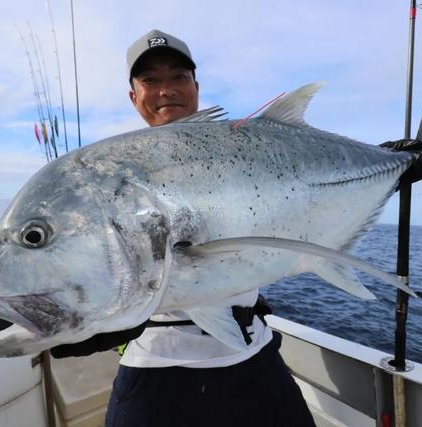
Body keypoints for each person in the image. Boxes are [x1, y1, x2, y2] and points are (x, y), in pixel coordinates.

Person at [101, 29, 316, 427]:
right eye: (150, 80)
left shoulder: (244, 150)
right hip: (155, 364)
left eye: (178, 77)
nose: (166, 90)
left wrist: (392, 164)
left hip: (252, 356)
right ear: (133, 96)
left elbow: (305, 189)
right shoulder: (112, 175)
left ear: (196, 87)